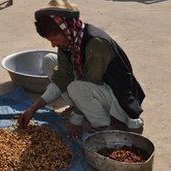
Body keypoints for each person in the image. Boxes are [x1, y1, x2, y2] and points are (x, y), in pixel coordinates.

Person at [17, 0, 145, 138]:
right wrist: (33, 109)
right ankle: (83, 107)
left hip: (117, 95)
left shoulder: (96, 43)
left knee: (75, 88)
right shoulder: (69, 41)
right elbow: (61, 78)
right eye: (49, 39)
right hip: (94, 89)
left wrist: (76, 119)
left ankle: (102, 125)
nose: (53, 44)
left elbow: (91, 81)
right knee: (49, 60)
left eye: (54, 36)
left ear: (67, 27)